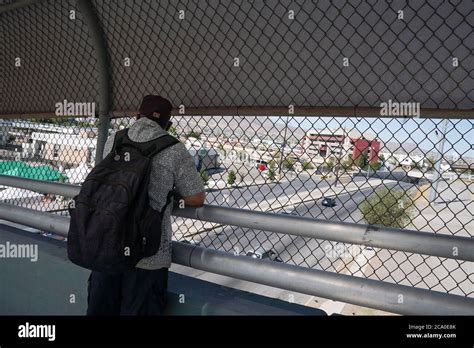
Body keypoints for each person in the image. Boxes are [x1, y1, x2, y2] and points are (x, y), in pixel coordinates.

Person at [87, 95, 205, 315]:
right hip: (148, 256)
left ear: (137, 115)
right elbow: (196, 198)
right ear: (168, 125)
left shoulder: (115, 139)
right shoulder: (174, 149)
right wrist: (169, 192)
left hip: (107, 246)